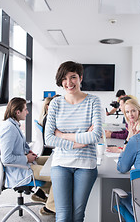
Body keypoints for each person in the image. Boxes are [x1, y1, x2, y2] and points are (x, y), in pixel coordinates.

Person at [45, 61, 102, 222]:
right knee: (63, 216)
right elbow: (48, 138)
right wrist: (79, 142)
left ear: (80, 78)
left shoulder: (93, 101)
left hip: (86, 165)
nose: (68, 83)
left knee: (77, 216)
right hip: (61, 164)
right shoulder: (55, 103)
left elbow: (95, 136)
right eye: (64, 78)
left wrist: (63, 136)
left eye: (73, 77)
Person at [0, 97, 55, 216]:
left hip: (25, 162)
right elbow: (6, 159)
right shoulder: (9, 129)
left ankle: (44, 195)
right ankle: (51, 207)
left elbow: (19, 146)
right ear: (17, 112)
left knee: (53, 160)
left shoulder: (14, 125)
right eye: (25, 109)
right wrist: (26, 158)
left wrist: (29, 152)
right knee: (57, 173)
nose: (27, 112)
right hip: (20, 169)